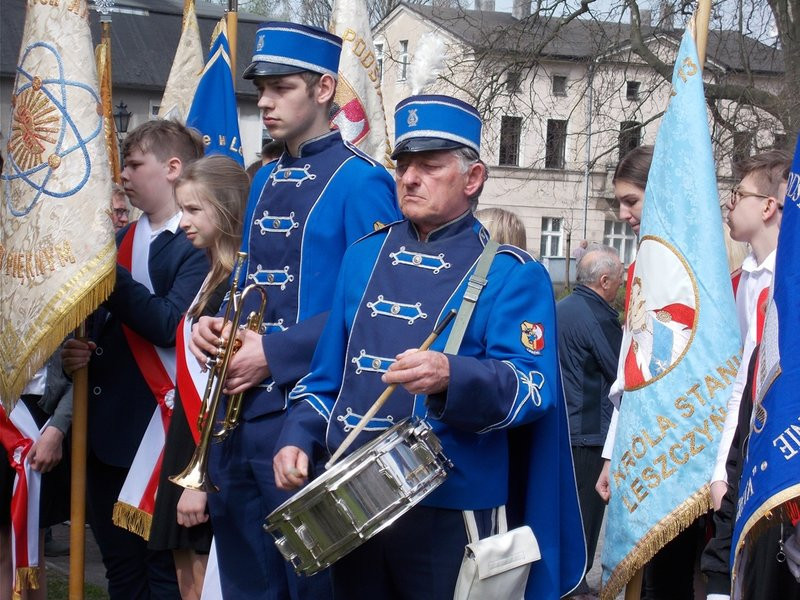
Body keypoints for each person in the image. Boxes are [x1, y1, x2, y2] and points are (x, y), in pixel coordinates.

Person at [272, 94, 584, 600]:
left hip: (451, 508)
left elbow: (535, 388)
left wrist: (451, 375)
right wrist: (297, 434)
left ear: (473, 178)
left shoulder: (513, 274)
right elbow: (327, 376)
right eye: (403, 165)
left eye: (429, 166)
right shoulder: (363, 257)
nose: (409, 177)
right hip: (355, 502)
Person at [188, 21, 401, 599]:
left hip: (312, 422)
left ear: (324, 88)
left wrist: (272, 353)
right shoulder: (263, 181)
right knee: (247, 586)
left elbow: (377, 312)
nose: (264, 101)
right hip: (238, 416)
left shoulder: (364, 183)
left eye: (281, 87)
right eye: (261, 89)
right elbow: (254, 284)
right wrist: (223, 326)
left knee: (314, 589)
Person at [61, 119, 208, 599]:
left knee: (163, 573)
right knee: (120, 570)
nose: (123, 174)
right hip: (104, 429)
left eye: (134, 163)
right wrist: (78, 351)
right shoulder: (124, 237)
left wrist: (108, 269)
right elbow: (108, 327)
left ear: (171, 168)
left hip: (158, 433)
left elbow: (168, 325)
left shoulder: (193, 244)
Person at [596, 145, 704, 600]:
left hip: (681, 437)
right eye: (619, 202)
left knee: (672, 579)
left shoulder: (693, 260)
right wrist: (612, 452)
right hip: (640, 436)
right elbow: (632, 369)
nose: (623, 214)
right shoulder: (642, 263)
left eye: (631, 201)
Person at [148, 155, 249, 600]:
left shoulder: (239, 283)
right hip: (185, 447)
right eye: (181, 208)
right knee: (186, 578)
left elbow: (228, 391)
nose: (183, 220)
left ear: (226, 208)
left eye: (194, 209)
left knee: (207, 583)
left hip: (208, 454)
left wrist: (203, 480)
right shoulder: (211, 274)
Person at [701, 153, 792, 600]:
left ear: (769, 207)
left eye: (738, 195)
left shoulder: (787, 279)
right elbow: (744, 374)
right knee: (725, 562)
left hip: (781, 444)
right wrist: (722, 466)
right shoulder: (748, 278)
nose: (729, 204)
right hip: (744, 442)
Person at [557, 245, 623, 598]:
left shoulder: (563, 307)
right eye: (620, 280)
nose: (623, 286)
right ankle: (576, 587)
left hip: (565, 429)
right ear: (604, 281)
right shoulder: (597, 316)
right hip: (589, 434)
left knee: (568, 515)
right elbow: (623, 373)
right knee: (586, 519)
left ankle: (567, 581)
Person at [0, 352, 72, 600]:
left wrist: (59, 427)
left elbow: (80, 370)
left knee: (33, 543)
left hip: (41, 419)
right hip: (3, 415)